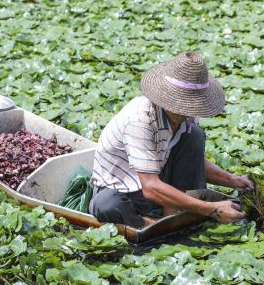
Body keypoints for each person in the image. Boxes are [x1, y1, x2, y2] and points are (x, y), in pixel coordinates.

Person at [89, 52, 254, 229]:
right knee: (106, 205)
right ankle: (148, 223)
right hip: (125, 190)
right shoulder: (139, 121)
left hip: (158, 182)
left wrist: (232, 180)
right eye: (185, 104)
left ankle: (173, 212)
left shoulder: (186, 116)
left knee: (194, 135)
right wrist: (211, 209)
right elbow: (151, 187)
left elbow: (193, 161)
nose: (190, 109)